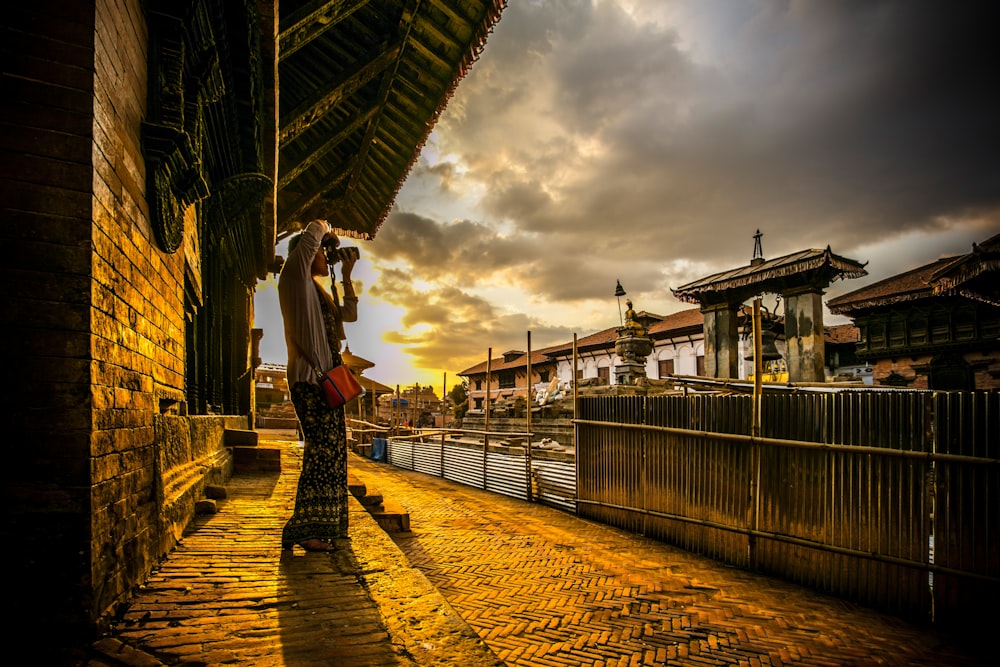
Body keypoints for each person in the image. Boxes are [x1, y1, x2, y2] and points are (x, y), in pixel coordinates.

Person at [278, 219, 359, 551]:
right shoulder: (294, 280)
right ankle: (305, 529)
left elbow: (349, 317)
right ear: (306, 253)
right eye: (323, 253)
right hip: (309, 382)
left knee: (335, 452)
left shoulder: (318, 293)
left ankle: (330, 524)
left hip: (326, 382)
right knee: (320, 452)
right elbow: (312, 230)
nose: (328, 258)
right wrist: (326, 233)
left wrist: (348, 275)